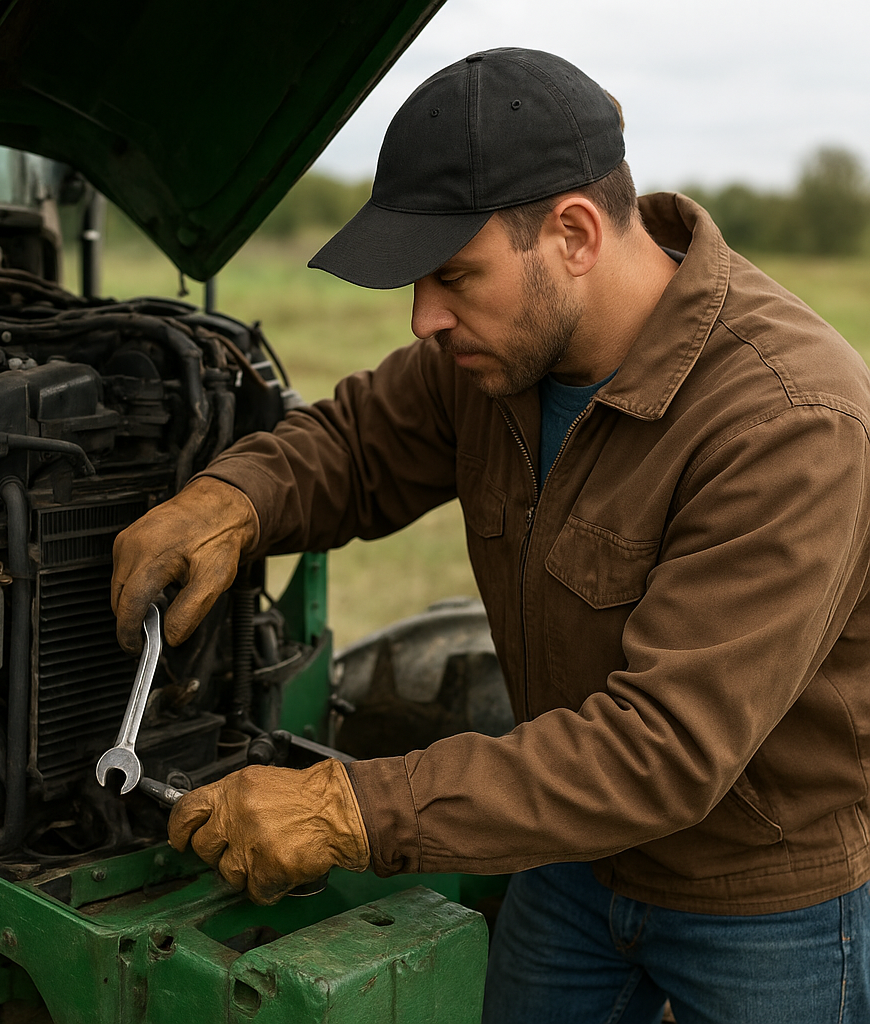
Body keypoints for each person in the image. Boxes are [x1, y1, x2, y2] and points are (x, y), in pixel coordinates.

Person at [111, 48, 870, 1022]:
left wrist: (350, 808)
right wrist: (232, 498)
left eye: (455, 275)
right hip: (562, 854)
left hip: (763, 900)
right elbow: (353, 443)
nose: (425, 318)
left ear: (574, 234)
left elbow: (663, 749)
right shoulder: (496, 357)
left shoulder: (788, 420)